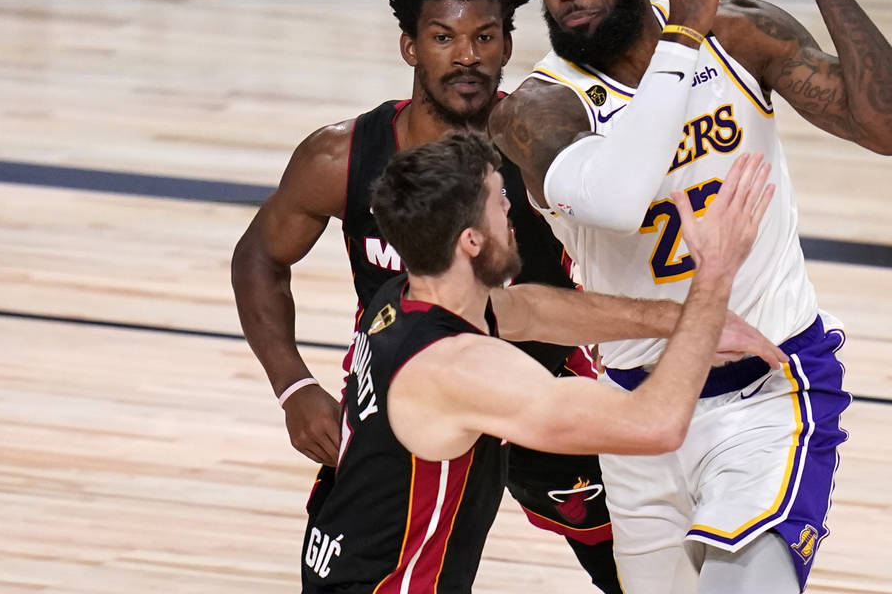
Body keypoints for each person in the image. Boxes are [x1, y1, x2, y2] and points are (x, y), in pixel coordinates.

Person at [488, 0, 892, 593]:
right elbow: (621, 199)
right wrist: (684, 33)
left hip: (768, 388)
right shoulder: (536, 109)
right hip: (637, 414)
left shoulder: (742, 37)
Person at [232, 0, 625, 592]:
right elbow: (259, 256)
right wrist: (292, 386)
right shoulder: (341, 158)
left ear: (506, 45)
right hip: (405, 399)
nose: (466, 55)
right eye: (444, 36)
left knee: (631, 568)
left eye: (484, 36)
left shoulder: (541, 149)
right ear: (410, 46)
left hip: (539, 395)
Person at [300, 133, 777, 593]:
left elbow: (530, 310)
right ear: (471, 241)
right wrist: (713, 276)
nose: (510, 209)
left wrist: (677, 320)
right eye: (499, 201)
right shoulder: (456, 369)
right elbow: (653, 423)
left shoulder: (403, 298)